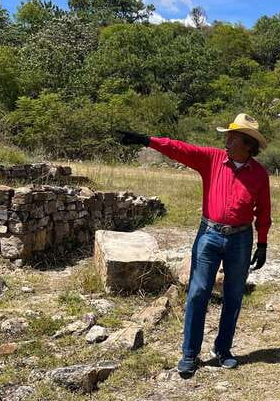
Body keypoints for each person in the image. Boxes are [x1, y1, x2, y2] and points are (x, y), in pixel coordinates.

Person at [116, 114, 271, 377]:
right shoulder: (211, 159)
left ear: (247, 145)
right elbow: (179, 149)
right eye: (227, 136)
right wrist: (147, 141)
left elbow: (263, 211)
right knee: (198, 292)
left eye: (232, 138)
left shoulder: (259, 174)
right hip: (209, 234)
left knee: (233, 296)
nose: (227, 140)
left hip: (241, 239)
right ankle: (189, 353)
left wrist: (263, 243)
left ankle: (223, 350)